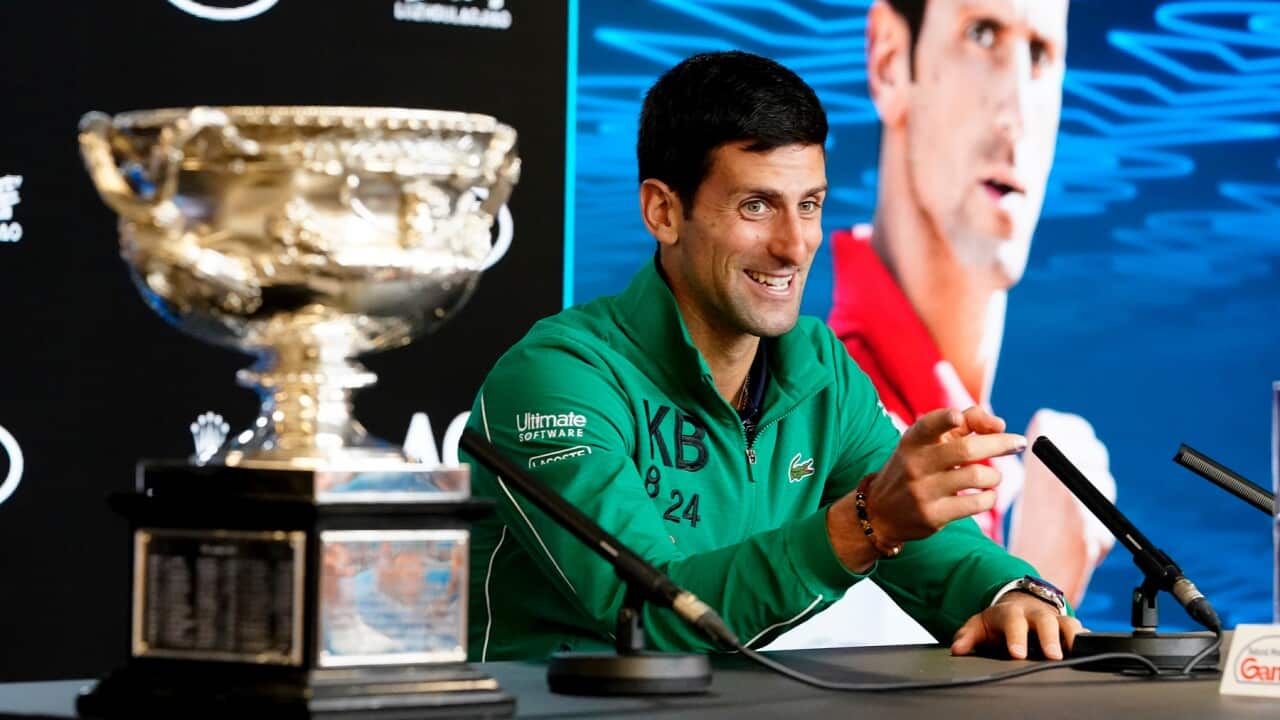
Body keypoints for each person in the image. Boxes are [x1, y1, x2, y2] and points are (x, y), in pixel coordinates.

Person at [463, 50, 1082, 662]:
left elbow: (929, 540)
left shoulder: (819, 368)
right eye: (756, 206)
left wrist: (1011, 591)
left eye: (808, 204)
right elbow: (651, 613)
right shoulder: (557, 377)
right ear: (663, 211)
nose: (794, 246)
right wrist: (863, 525)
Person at [824, 0, 1115, 623]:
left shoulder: (1006, 468)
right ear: (890, 61)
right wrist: (1039, 588)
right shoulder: (821, 422)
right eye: (981, 35)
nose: (1016, 113)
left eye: (1041, 54)